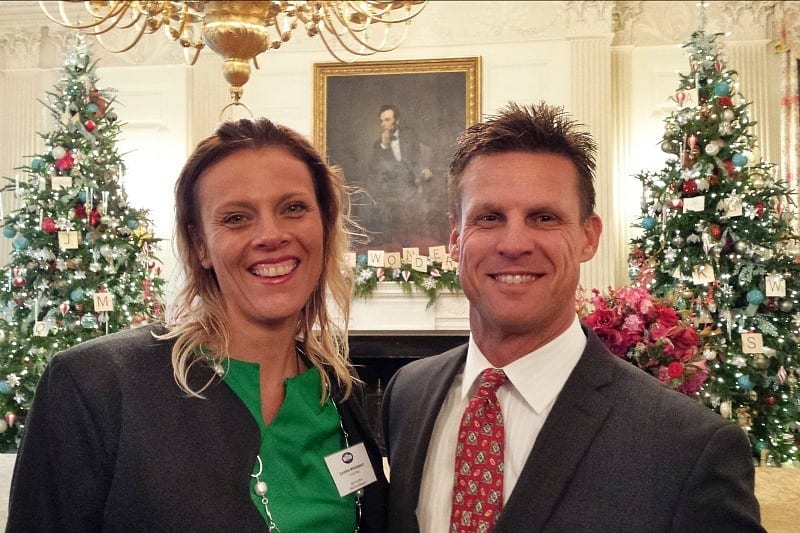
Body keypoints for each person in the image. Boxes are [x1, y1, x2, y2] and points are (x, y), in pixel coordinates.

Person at [381, 102, 764, 532]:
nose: (513, 243)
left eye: (544, 218)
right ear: (456, 240)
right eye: (489, 218)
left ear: (588, 237)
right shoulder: (408, 395)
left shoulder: (688, 447)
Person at [7, 118, 388, 532]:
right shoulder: (97, 386)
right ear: (200, 244)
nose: (271, 235)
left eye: (293, 208)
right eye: (237, 218)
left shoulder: (337, 393)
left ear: (325, 224)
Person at [367, 104, 435, 248]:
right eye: (381, 121)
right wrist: (384, 146)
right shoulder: (377, 145)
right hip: (389, 184)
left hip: (409, 181)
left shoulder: (409, 135)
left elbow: (416, 158)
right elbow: (376, 169)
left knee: (410, 196)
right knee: (374, 195)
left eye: (387, 120)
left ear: (396, 121)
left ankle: (411, 237)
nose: (383, 124)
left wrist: (424, 169)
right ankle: (383, 237)